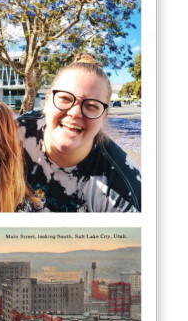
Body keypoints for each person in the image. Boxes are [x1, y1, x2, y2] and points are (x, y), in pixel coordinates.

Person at [18, 53, 141, 212]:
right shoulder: (14, 133)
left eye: (91, 105)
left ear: (104, 117)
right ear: (47, 102)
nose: (75, 113)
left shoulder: (123, 190)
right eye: (65, 99)